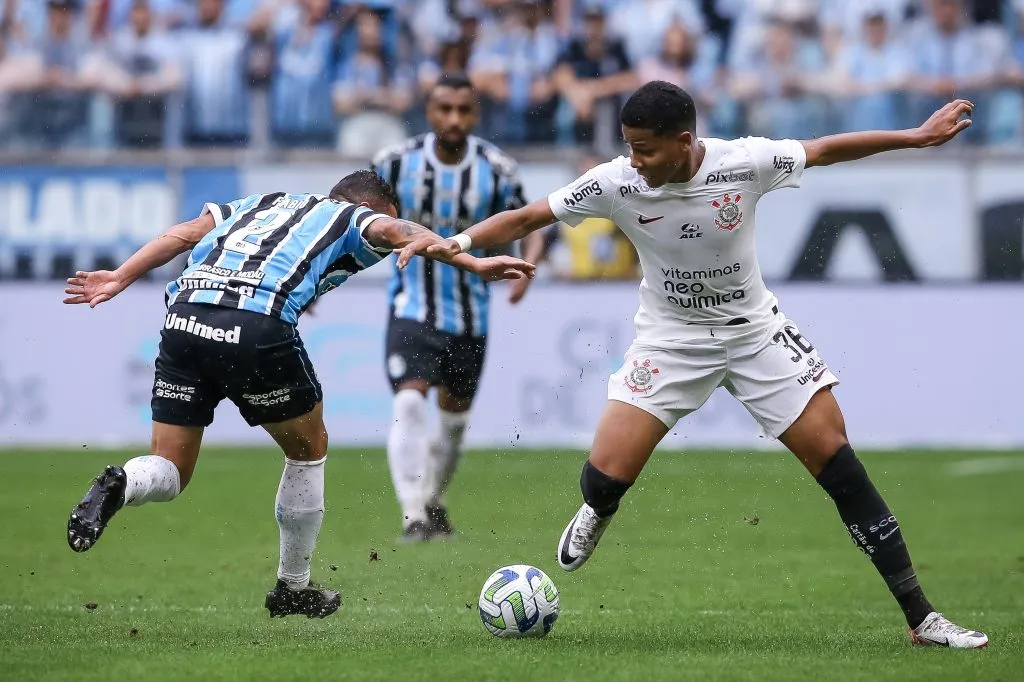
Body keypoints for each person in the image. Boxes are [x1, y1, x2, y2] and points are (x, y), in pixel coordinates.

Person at [396, 81, 989, 648]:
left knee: (839, 464)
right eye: (628, 146)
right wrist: (462, 243)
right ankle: (598, 509)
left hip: (755, 334)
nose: (634, 160)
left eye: (645, 148)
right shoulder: (615, 181)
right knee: (602, 477)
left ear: (683, 142)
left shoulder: (745, 161)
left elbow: (828, 148)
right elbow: (529, 217)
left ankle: (923, 618)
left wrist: (914, 137)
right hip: (670, 341)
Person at [63, 170, 534, 619]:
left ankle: (122, 483)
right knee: (309, 449)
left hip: (185, 314)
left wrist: (121, 275)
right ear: (371, 204)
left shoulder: (259, 203)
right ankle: (293, 586)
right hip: (255, 322)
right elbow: (396, 229)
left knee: (170, 468)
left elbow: (185, 233)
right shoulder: (352, 215)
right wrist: (471, 260)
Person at [370, 72, 544, 542]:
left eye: (463, 110)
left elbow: (530, 222)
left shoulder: (497, 168)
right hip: (412, 306)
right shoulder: (394, 163)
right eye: (444, 109)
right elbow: (350, 214)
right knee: (408, 403)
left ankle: (432, 500)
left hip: (472, 315)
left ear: (476, 113)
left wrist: (531, 267)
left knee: (454, 425)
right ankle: (413, 516)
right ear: (429, 111)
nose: (454, 119)